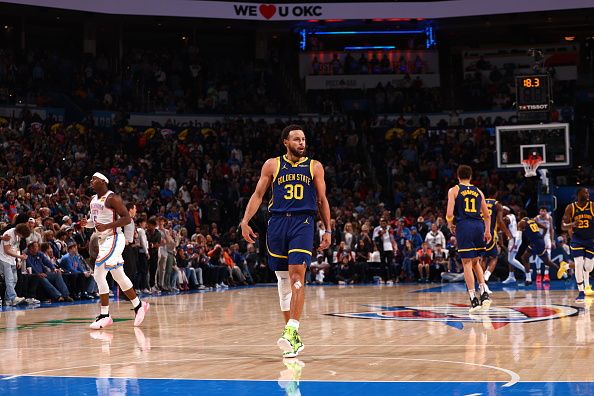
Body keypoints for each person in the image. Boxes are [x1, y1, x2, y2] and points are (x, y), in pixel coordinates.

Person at [240, 125, 331, 358]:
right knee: (282, 281)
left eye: (303, 139)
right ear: (285, 142)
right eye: (296, 139)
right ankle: (294, 340)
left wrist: (328, 229)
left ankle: (291, 330)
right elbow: (258, 195)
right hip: (277, 223)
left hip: (303, 222)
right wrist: (245, 221)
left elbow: (322, 199)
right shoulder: (272, 164)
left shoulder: (314, 166)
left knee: (296, 277)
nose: (301, 143)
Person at [82, 172, 149, 329]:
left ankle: (105, 315)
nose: (91, 181)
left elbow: (127, 218)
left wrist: (107, 226)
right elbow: (95, 222)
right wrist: (87, 224)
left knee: (98, 273)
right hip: (103, 240)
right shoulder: (93, 200)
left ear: (103, 181)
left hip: (114, 238)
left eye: (94, 179)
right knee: (118, 275)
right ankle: (139, 305)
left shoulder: (113, 198)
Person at [446, 165, 491, 313]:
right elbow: (487, 214)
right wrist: (488, 231)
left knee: (466, 263)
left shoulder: (454, 190)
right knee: (476, 261)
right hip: (478, 226)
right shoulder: (479, 191)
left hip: (464, 226)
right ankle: (484, 292)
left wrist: (450, 224)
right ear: (471, 177)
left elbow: (449, 213)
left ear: (457, 176)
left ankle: (473, 299)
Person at [562, 187, 594, 303]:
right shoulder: (571, 207)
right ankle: (581, 292)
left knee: (589, 267)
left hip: (591, 240)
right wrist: (572, 224)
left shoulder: (592, 206)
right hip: (577, 240)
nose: (587, 194)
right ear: (579, 194)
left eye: (588, 192)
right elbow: (563, 226)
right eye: (585, 192)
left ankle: (566, 266)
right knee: (579, 264)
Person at [517, 217, 567, 287]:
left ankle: (528, 279)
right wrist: (542, 237)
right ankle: (564, 274)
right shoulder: (532, 221)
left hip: (535, 243)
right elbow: (545, 228)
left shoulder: (522, 223)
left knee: (524, 257)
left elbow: (519, 236)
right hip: (539, 241)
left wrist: (516, 245)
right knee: (546, 261)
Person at [482, 189, 512, 289]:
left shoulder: (480, 202)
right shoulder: (497, 204)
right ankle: (486, 276)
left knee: (483, 257)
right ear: (495, 194)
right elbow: (499, 222)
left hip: (478, 231)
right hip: (489, 232)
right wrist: (508, 234)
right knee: (494, 257)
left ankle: (481, 281)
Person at [0, 223, 31, 305]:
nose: (22, 237)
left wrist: (18, 260)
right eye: (23, 235)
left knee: (14, 279)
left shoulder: (18, 236)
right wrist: (19, 256)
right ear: (20, 232)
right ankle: (13, 297)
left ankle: (7, 300)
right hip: (4, 259)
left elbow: (17, 247)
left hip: (12, 260)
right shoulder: (8, 234)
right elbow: (7, 250)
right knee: (9, 280)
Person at [501, 206, 526, 284]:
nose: (501, 211)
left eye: (503, 210)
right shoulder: (513, 216)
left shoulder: (506, 219)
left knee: (510, 259)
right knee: (511, 259)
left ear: (506, 211)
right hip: (514, 239)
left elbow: (502, 227)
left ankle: (526, 270)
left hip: (514, 240)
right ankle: (511, 276)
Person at [534, 206, 555, 284]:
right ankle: (538, 274)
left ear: (546, 212)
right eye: (541, 211)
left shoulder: (549, 218)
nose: (542, 212)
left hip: (546, 238)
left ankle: (546, 274)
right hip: (539, 238)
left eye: (544, 211)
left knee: (548, 255)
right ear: (539, 212)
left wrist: (552, 241)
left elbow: (551, 230)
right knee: (538, 256)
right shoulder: (536, 218)